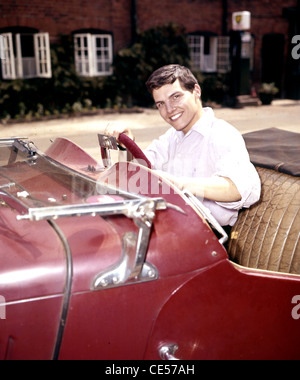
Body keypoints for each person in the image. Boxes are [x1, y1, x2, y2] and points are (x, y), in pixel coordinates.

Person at [105, 64, 261, 227]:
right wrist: (127, 144)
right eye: (161, 104)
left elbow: (237, 189)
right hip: (172, 224)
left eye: (176, 97)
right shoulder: (171, 137)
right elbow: (139, 171)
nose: (170, 109)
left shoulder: (222, 133)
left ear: (196, 91)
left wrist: (179, 184)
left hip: (208, 235)